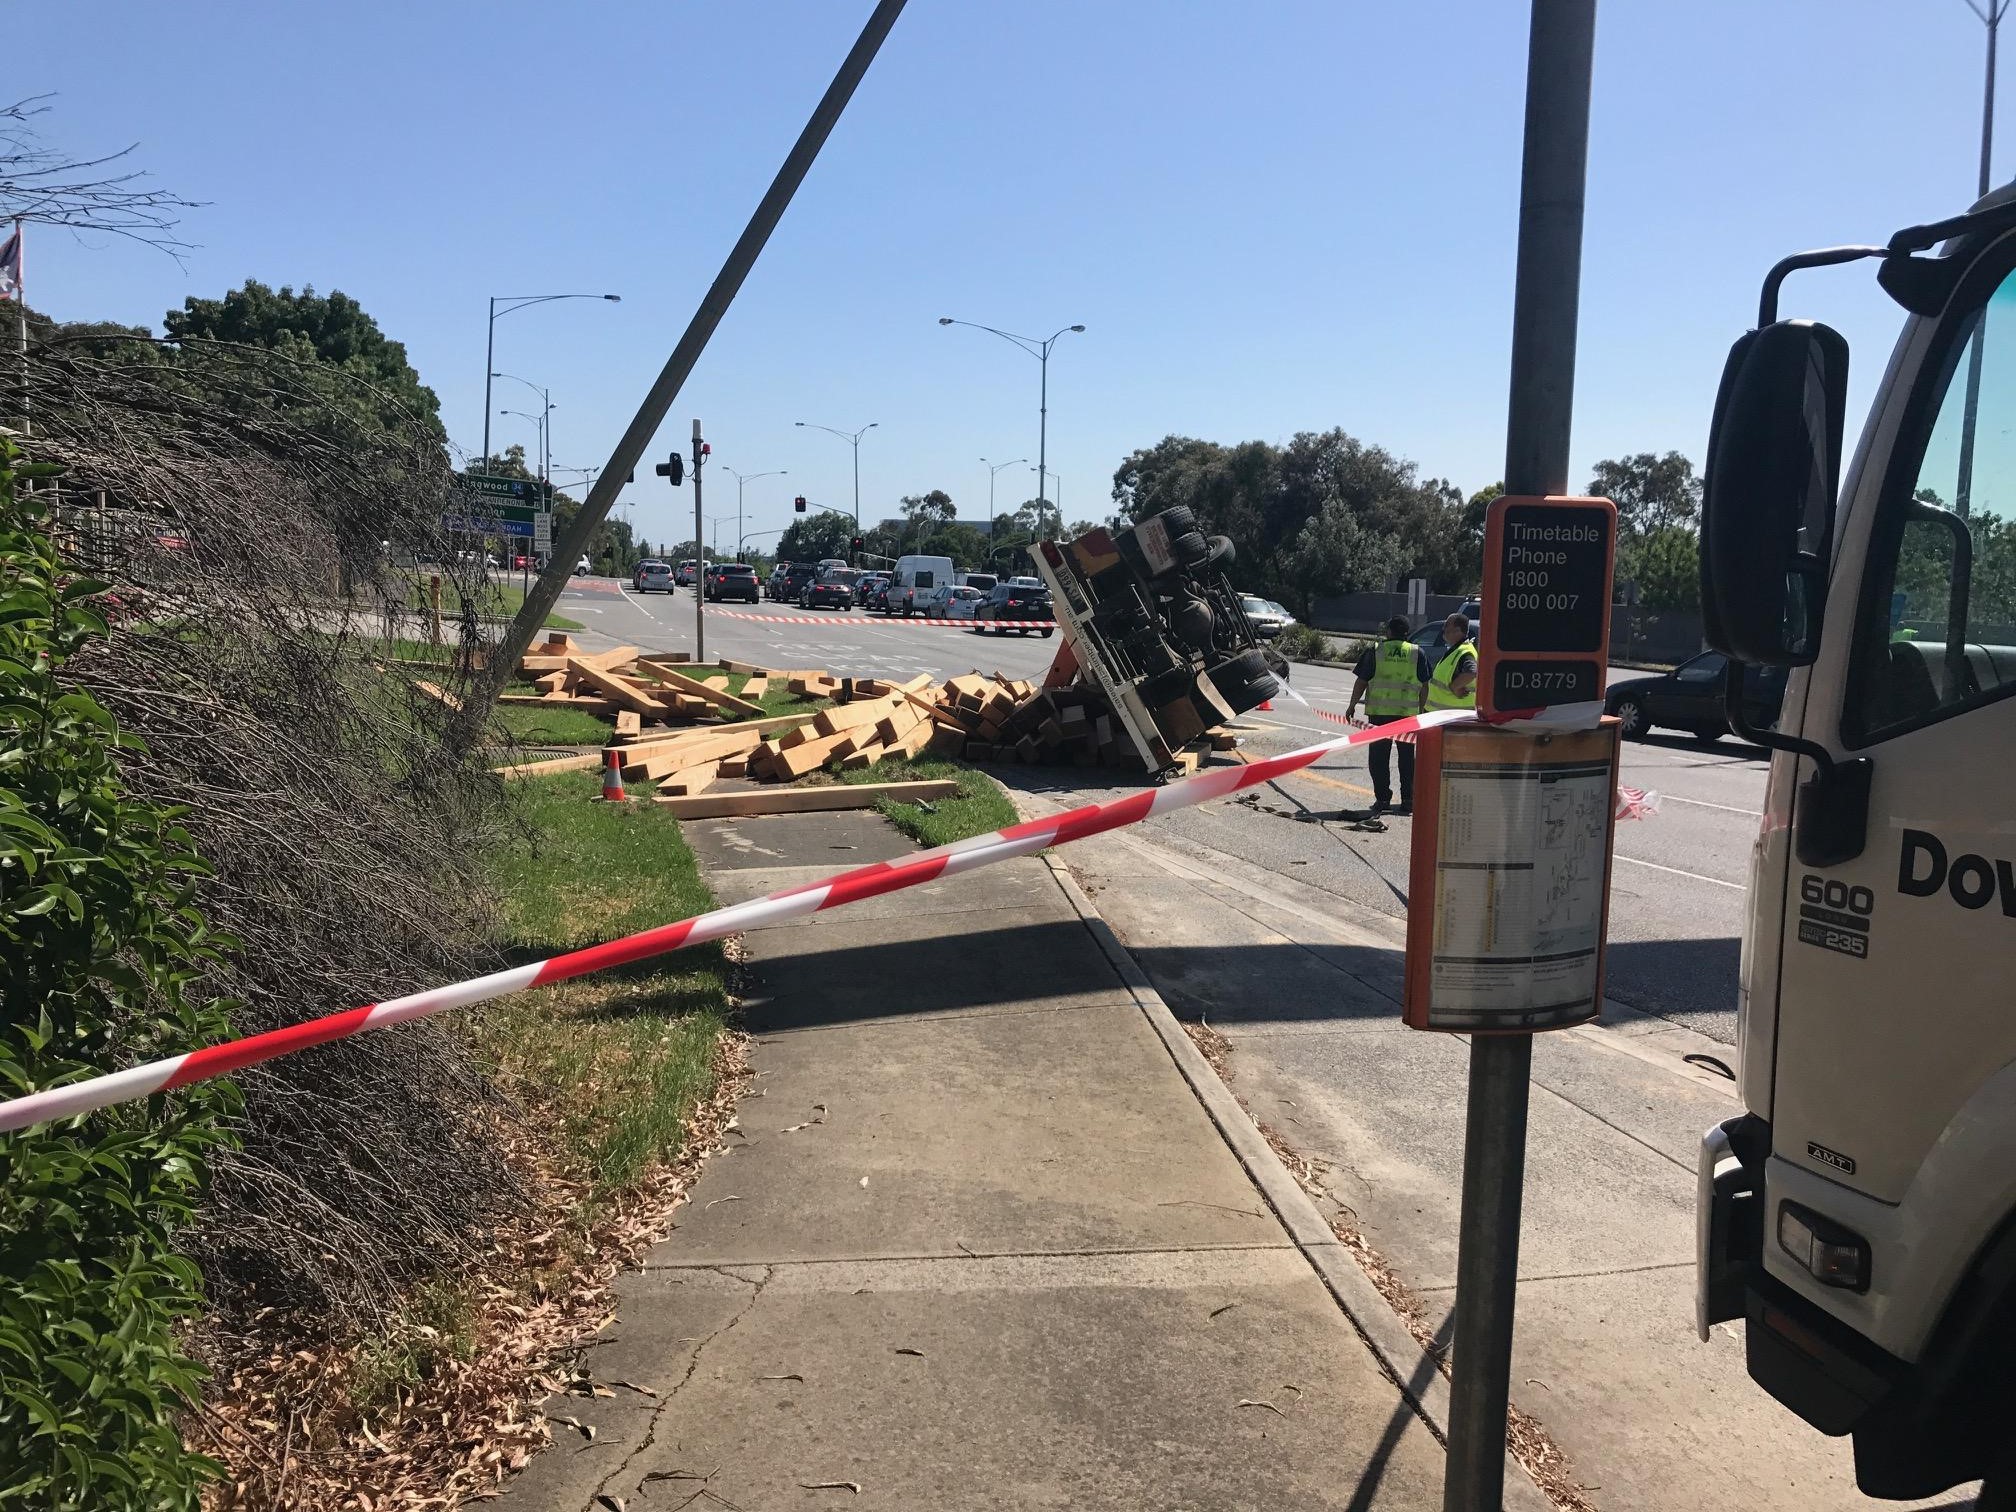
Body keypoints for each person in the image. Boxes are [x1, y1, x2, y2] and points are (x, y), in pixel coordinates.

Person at [1346, 616, 1431, 814]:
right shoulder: (1417, 653)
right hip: (1407, 716)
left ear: (1389, 631)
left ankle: (1383, 799)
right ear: (1407, 633)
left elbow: (1362, 681)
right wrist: (1421, 710)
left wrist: (1352, 705)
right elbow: (1424, 686)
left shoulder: (1376, 651)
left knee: (1378, 759)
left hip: (1379, 715)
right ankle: (1409, 800)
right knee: (1408, 759)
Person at [1424, 610, 1479, 712]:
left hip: (1453, 716)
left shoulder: (1464, 652)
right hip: (1444, 714)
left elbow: (1471, 672)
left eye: (1447, 627)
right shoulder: (1457, 650)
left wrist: (1455, 687)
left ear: (1458, 630)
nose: (1444, 630)